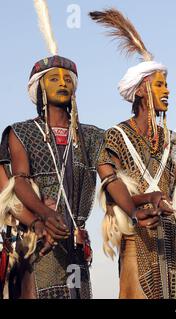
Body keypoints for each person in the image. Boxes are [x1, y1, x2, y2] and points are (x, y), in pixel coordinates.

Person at [90, 8, 176, 299]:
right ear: (142, 90)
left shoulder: (173, 139)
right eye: (160, 84)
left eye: (166, 84)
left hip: (169, 242)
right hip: (136, 238)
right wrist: (137, 206)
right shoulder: (116, 135)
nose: (167, 90)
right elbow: (109, 180)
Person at [1, 0, 104, 299]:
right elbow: (19, 179)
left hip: (76, 243)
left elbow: (109, 177)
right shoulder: (20, 132)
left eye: (67, 79)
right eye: (53, 78)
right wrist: (43, 214)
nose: (63, 83)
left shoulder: (92, 136)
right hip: (39, 241)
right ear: (39, 88)